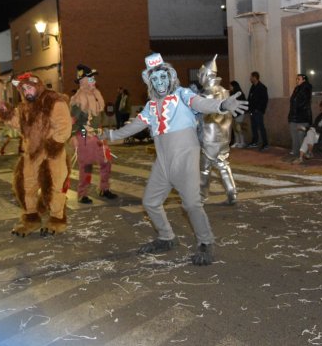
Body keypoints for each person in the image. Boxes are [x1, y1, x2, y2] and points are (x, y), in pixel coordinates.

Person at [100, 53, 248, 266]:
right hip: (163, 161)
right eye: (155, 79)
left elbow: (201, 103)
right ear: (150, 83)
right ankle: (166, 237)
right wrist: (111, 135)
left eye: (163, 77)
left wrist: (222, 106)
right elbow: (135, 126)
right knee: (150, 202)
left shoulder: (182, 95)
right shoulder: (151, 106)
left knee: (191, 204)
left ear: (170, 77)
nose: (160, 83)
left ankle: (205, 243)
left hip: (185, 157)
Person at [9, 73, 72, 237]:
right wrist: (6, 114)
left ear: (37, 86)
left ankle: (57, 219)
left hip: (52, 153)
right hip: (32, 153)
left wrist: (54, 145)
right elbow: (18, 124)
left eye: (29, 87)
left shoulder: (53, 101)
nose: (27, 91)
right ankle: (31, 219)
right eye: (24, 89)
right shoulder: (24, 107)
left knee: (55, 186)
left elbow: (64, 125)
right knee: (27, 186)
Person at [70, 64, 117, 204]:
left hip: (97, 133)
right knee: (86, 165)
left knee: (106, 161)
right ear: (83, 81)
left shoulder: (96, 95)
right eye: (90, 79)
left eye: (93, 79)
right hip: (84, 132)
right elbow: (72, 119)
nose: (93, 81)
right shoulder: (78, 99)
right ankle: (82, 193)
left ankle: (104, 188)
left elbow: (98, 116)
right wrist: (73, 136)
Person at [196, 56, 238, 205]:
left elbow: (198, 116)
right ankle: (231, 191)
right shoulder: (224, 91)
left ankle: (201, 197)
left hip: (210, 137)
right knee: (223, 165)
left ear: (206, 75)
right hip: (224, 136)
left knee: (205, 169)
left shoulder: (206, 93)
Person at [292, 100, 322, 164]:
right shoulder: (321, 115)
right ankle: (307, 154)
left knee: (309, 133)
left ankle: (301, 157)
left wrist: (307, 129)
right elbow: (314, 125)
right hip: (316, 135)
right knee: (310, 134)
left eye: (321, 107)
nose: (320, 109)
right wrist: (310, 129)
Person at [288, 74, 312, 156]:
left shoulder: (306, 88)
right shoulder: (297, 89)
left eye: (299, 79)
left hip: (302, 118)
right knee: (294, 138)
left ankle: (302, 155)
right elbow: (293, 103)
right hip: (294, 117)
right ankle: (296, 154)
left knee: (300, 137)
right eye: (296, 79)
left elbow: (302, 103)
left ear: (304, 80)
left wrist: (296, 112)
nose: (297, 80)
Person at [246, 71, 269, 151]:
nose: (250, 78)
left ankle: (265, 144)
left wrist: (259, 109)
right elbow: (250, 98)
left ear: (255, 78)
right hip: (252, 111)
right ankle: (255, 141)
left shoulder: (262, 87)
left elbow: (264, 100)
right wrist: (248, 108)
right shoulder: (252, 87)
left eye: (251, 77)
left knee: (261, 127)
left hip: (258, 111)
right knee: (253, 127)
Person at [229, 81, 247, 148]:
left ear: (234, 86)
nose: (230, 87)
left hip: (239, 114)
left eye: (231, 86)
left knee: (239, 128)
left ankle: (242, 142)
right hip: (233, 114)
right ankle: (237, 142)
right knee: (235, 129)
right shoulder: (231, 94)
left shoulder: (240, 93)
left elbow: (243, 103)